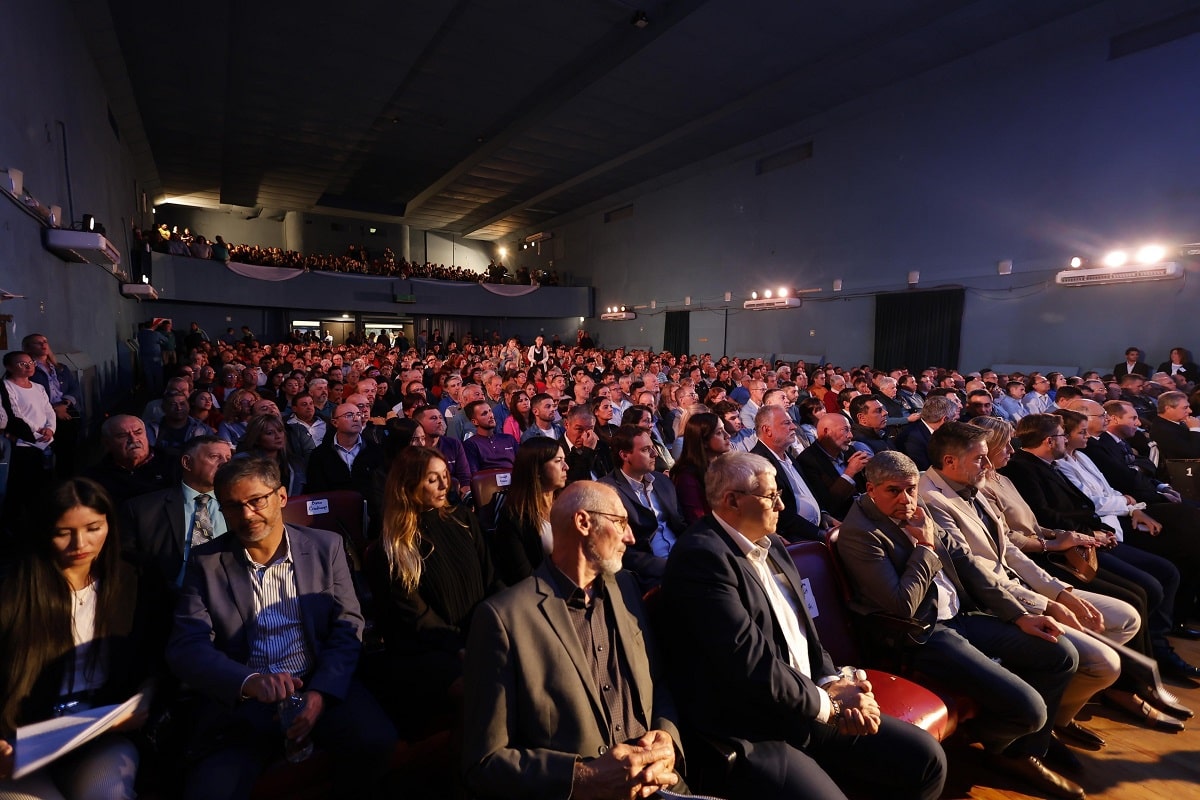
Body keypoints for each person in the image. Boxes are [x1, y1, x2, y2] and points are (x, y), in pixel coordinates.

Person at [658, 452, 946, 800]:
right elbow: (751, 666)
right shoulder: (702, 558)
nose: (781, 505)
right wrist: (832, 706)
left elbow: (806, 634)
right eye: (770, 496)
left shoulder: (773, 545)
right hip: (755, 725)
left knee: (926, 759)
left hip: (807, 701)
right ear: (732, 500)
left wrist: (833, 681)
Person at [837, 451, 1082, 800]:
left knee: (1061, 654)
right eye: (894, 491)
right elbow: (901, 605)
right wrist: (925, 547)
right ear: (871, 489)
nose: (906, 499)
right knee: (1030, 710)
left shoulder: (917, 509)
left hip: (960, 615)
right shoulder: (859, 533)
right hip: (922, 634)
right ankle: (1001, 743)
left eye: (911, 489)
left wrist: (1019, 615)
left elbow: (966, 564)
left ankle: (1026, 748)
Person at [919, 422, 1139, 750]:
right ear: (950, 461)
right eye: (980, 458)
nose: (989, 465)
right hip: (989, 599)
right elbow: (975, 572)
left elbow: (1008, 550)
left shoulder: (972, 483)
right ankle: (1040, 728)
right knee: (1103, 662)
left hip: (1016, 584)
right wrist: (1045, 604)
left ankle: (1055, 717)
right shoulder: (931, 498)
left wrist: (1059, 592)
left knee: (1125, 618)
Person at [463, 481, 685, 799]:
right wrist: (584, 778)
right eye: (620, 522)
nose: (630, 537)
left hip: (660, 786)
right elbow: (484, 762)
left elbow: (658, 682)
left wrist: (667, 737)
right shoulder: (503, 619)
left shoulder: (627, 588)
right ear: (583, 522)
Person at [0, 478, 167, 797]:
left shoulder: (136, 578)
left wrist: (143, 699)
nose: (80, 544)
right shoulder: (12, 590)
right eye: (63, 533)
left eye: (93, 528)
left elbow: (158, 656)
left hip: (103, 731)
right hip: (19, 740)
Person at [365, 447, 503, 726]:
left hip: (479, 631)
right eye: (432, 479)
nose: (444, 485)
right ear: (408, 486)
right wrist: (461, 646)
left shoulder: (463, 519)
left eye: (445, 476)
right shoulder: (391, 548)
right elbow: (417, 617)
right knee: (483, 689)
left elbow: (491, 579)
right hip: (428, 649)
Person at [120, 435, 233, 593]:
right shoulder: (142, 509)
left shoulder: (240, 505)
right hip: (167, 597)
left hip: (228, 595)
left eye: (228, 458)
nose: (225, 464)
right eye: (214, 457)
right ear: (187, 462)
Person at [600, 424, 686, 589]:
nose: (655, 454)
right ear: (625, 455)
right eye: (646, 450)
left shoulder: (662, 481)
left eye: (653, 447)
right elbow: (618, 549)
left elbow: (681, 523)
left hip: (683, 558)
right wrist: (667, 567)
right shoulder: (607, 491)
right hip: (649, 575)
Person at [491, 438, 569, 585]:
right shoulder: (514, 517)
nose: (566, 467)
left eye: (564, 460)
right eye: (558, 461)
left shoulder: (568, 501)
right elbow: (523, 576)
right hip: (543, 591)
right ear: (537, 469)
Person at [83, 415, 174, 507]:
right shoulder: (93, 479)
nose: (133, 439)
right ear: (107, 443)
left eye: (138, 433)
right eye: (123, 435)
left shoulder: (173, 465)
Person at [796, 413, 871, 519]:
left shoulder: (849, 451)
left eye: (850, 430)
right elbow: (828, 505)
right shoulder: (807, 461)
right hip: (843, 520)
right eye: (845, 430)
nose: (850, 435)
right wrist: (849, 473)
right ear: (826, 432)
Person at [305, 402, 385, 495]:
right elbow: (316, 491)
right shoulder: (320, 454)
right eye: (349, 415)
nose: (356, 419)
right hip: (334, 502)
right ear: (335, 422)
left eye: (358, 414)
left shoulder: (374, 450)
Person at [670, 411, 731, 522]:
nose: (727, 435)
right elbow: (697, 519)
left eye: (724, 430)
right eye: (719, 432)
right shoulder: (687, 478)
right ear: (704, 441)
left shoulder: (723, 466)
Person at [235, 414, 306, 495]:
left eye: (280, 431)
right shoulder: (243, 462)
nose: (278, 436)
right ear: (257, 439)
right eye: (269, 433)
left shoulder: (296, 463)